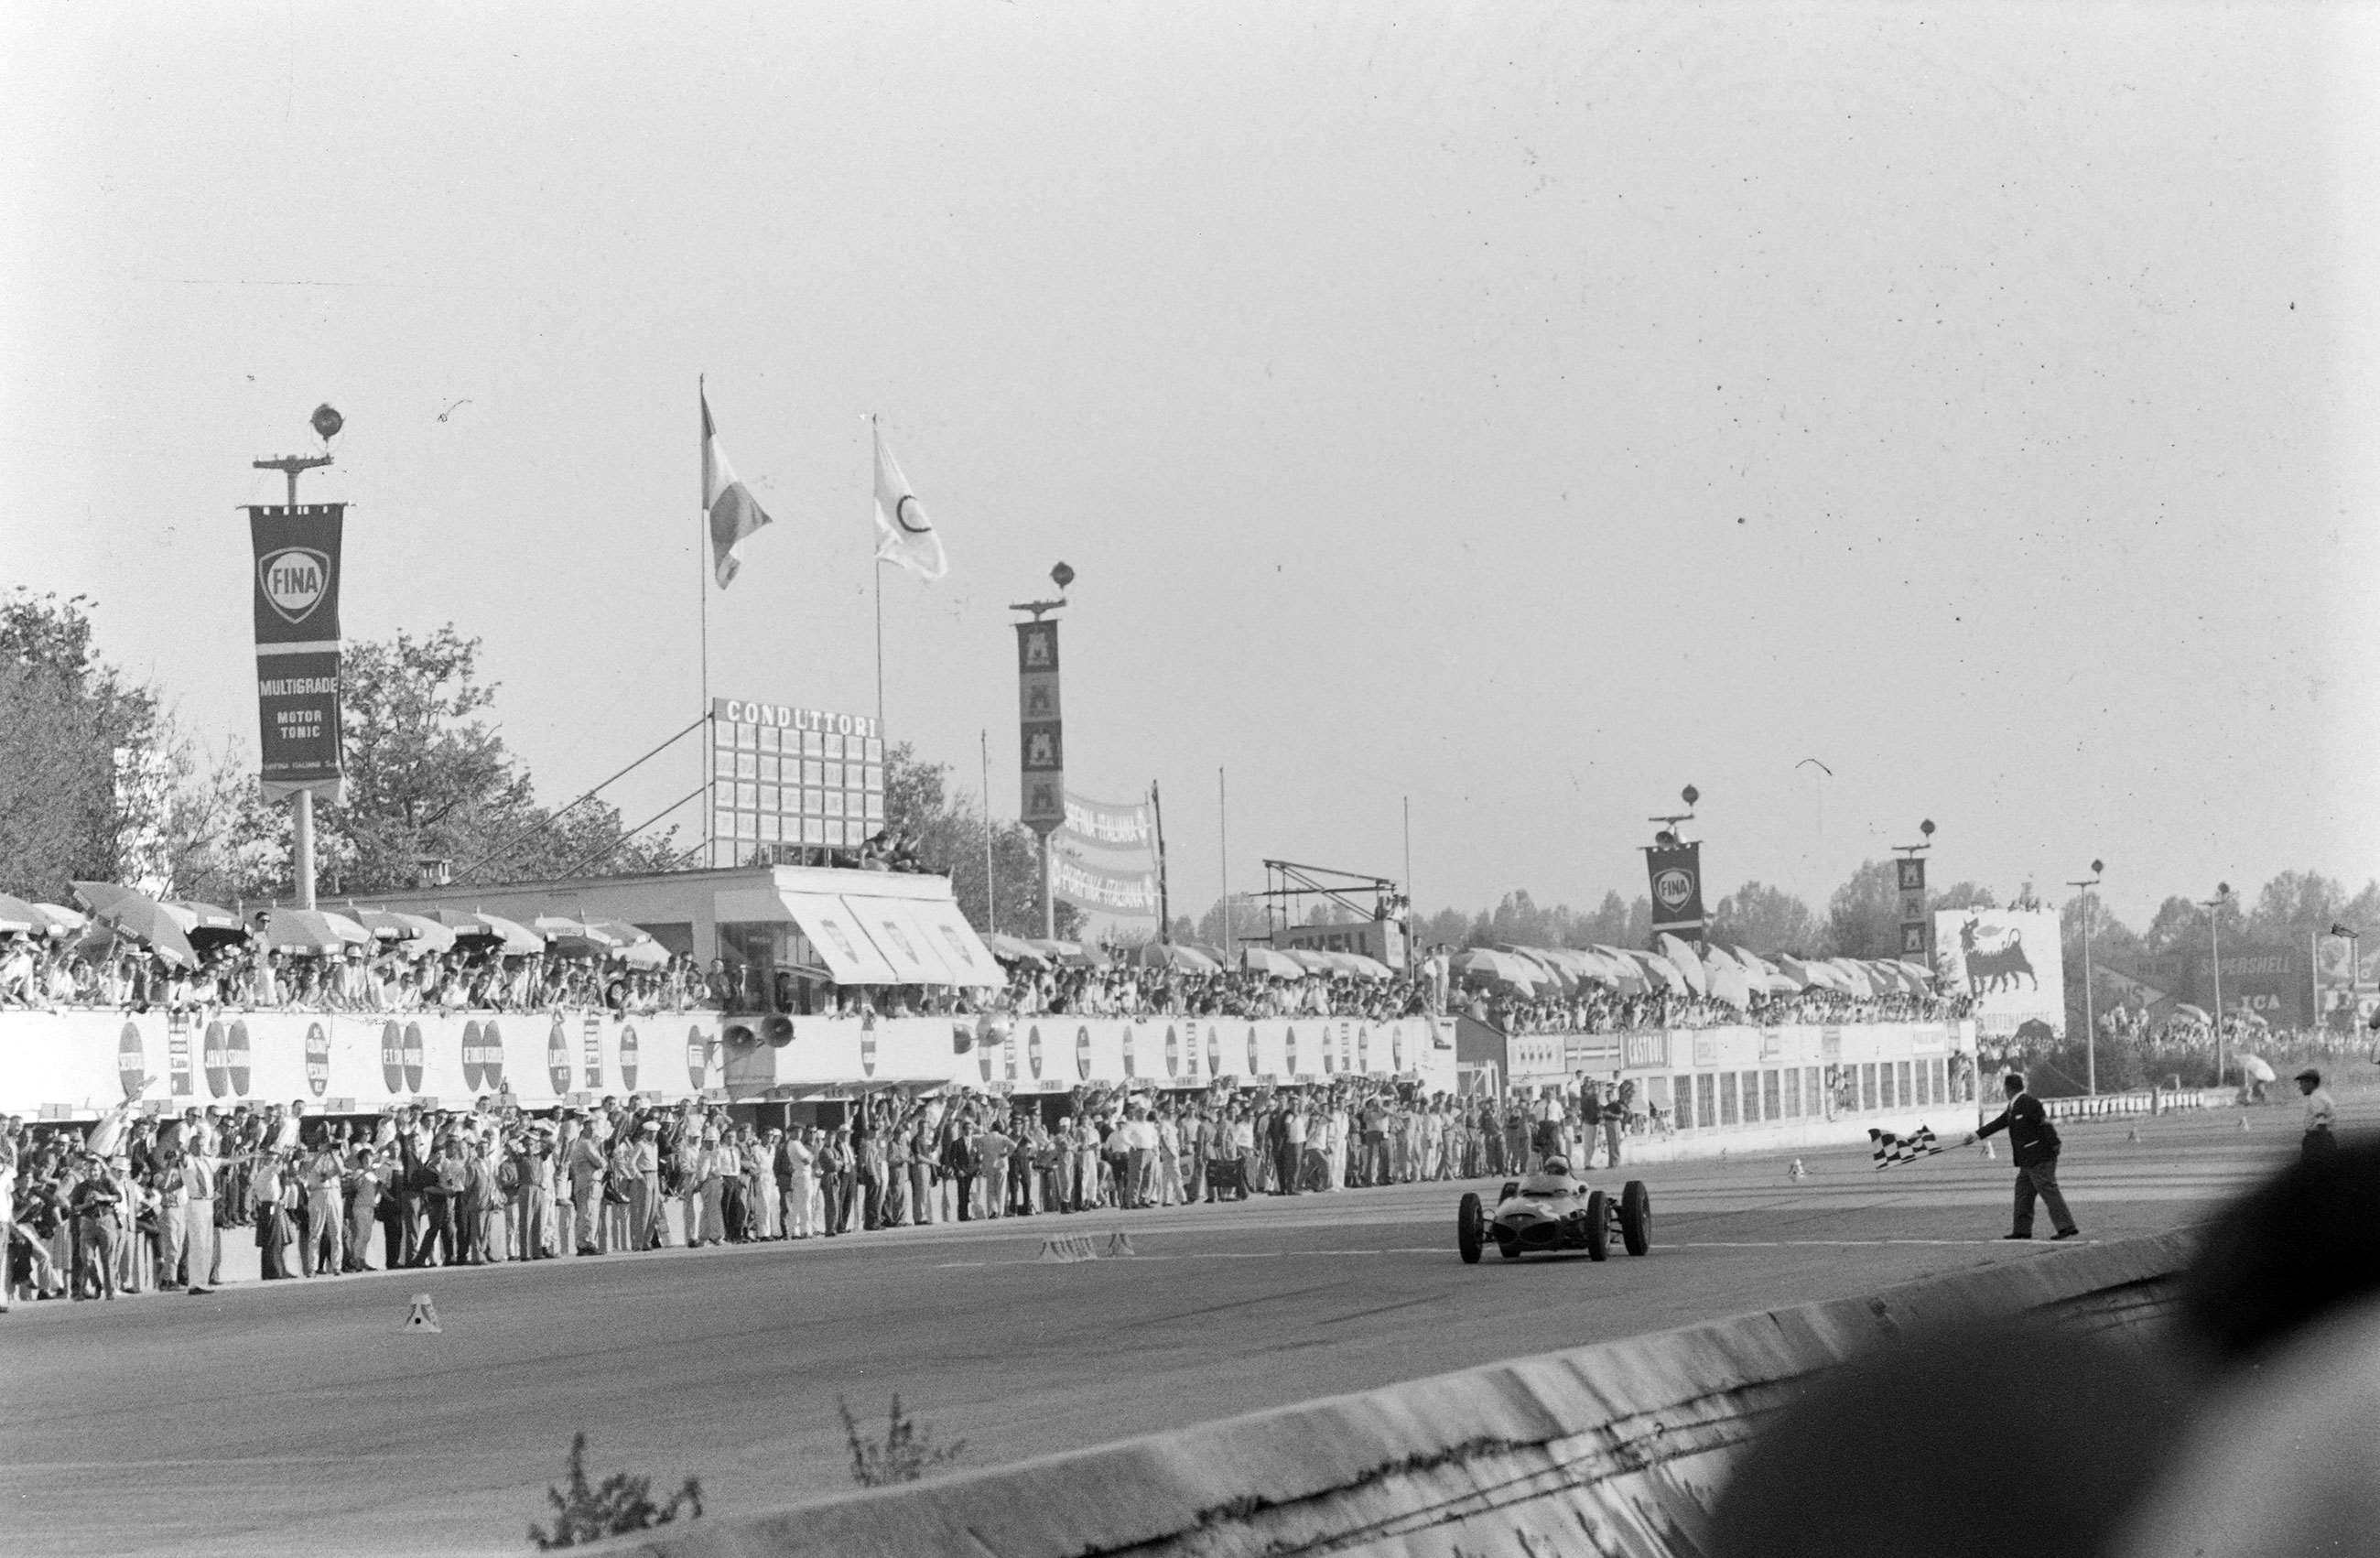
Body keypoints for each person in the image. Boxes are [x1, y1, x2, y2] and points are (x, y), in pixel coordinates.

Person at [1965, 1071, 2080, 1241]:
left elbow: (2044, 1124)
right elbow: (1999, 1123)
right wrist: (1976, 1135)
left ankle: (2066, 1226)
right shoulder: (2015, 1106)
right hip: (2028, 1159)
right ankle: (2022, 1230)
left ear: (2007, 1089)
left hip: (2040, 1156)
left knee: (2048, 1190)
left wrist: (2055, 1144)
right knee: (2023, 1193)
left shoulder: (2028, 1103)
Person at [2295, 1067, 2338, 1159]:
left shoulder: (2316, 1097)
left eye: (2302, 1083)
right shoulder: (2321, 1094)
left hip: (2317, 1140)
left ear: (2310, 1083)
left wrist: (2324, 1145)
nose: (2300, 1087)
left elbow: (2321, 1122)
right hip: (2323, 1138)